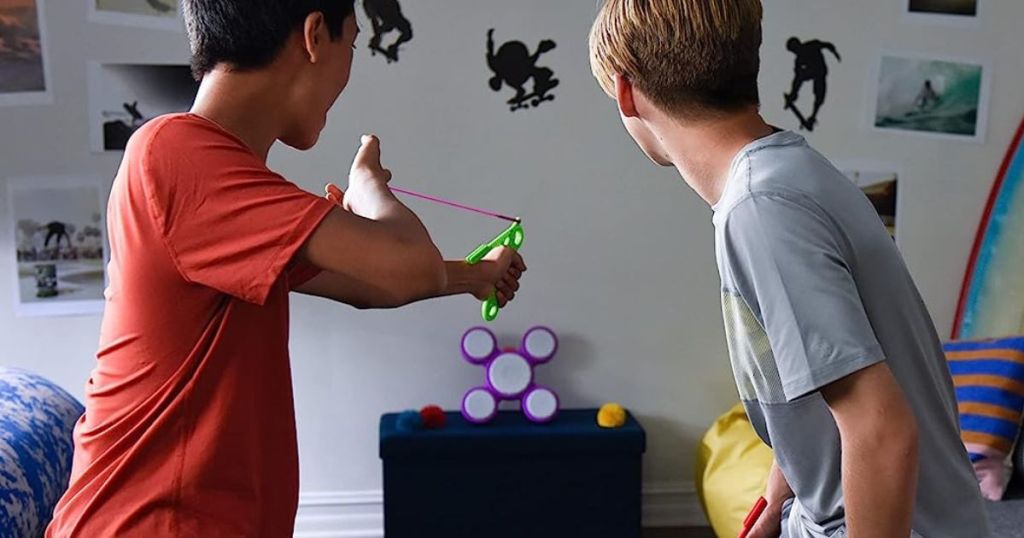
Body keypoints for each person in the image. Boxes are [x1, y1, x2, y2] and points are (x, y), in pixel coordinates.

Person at [47, 1, 525, 535]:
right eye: (355, 43)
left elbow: (369, 286)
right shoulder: (178, 152)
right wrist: (370, 190)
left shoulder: (221, 181)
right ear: (315, 35)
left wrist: (471, 276)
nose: (350, 69)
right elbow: (407, 267)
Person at [588, 0, 989, 536]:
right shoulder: (789, 171)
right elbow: (814, 378)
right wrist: (775, 500)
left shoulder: (760, 208)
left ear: (625, 92)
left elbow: (881, 430)